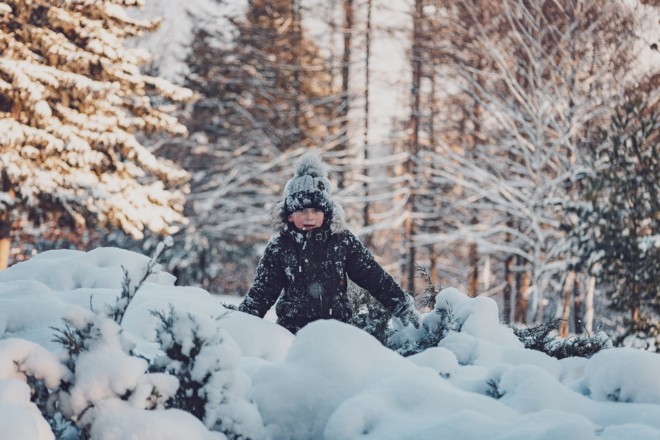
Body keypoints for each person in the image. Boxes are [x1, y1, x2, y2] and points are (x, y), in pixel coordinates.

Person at [238, 151, 420, 334]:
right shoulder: (280, 247)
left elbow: (373, 276)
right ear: (290, 216)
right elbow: (262, 292)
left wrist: (400, 304)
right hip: (292, 331)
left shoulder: (342, 240)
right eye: (302, 210)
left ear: (326, 213)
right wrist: (240, 323)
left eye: (316, 211)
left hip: (337, 330)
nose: (309, 216)